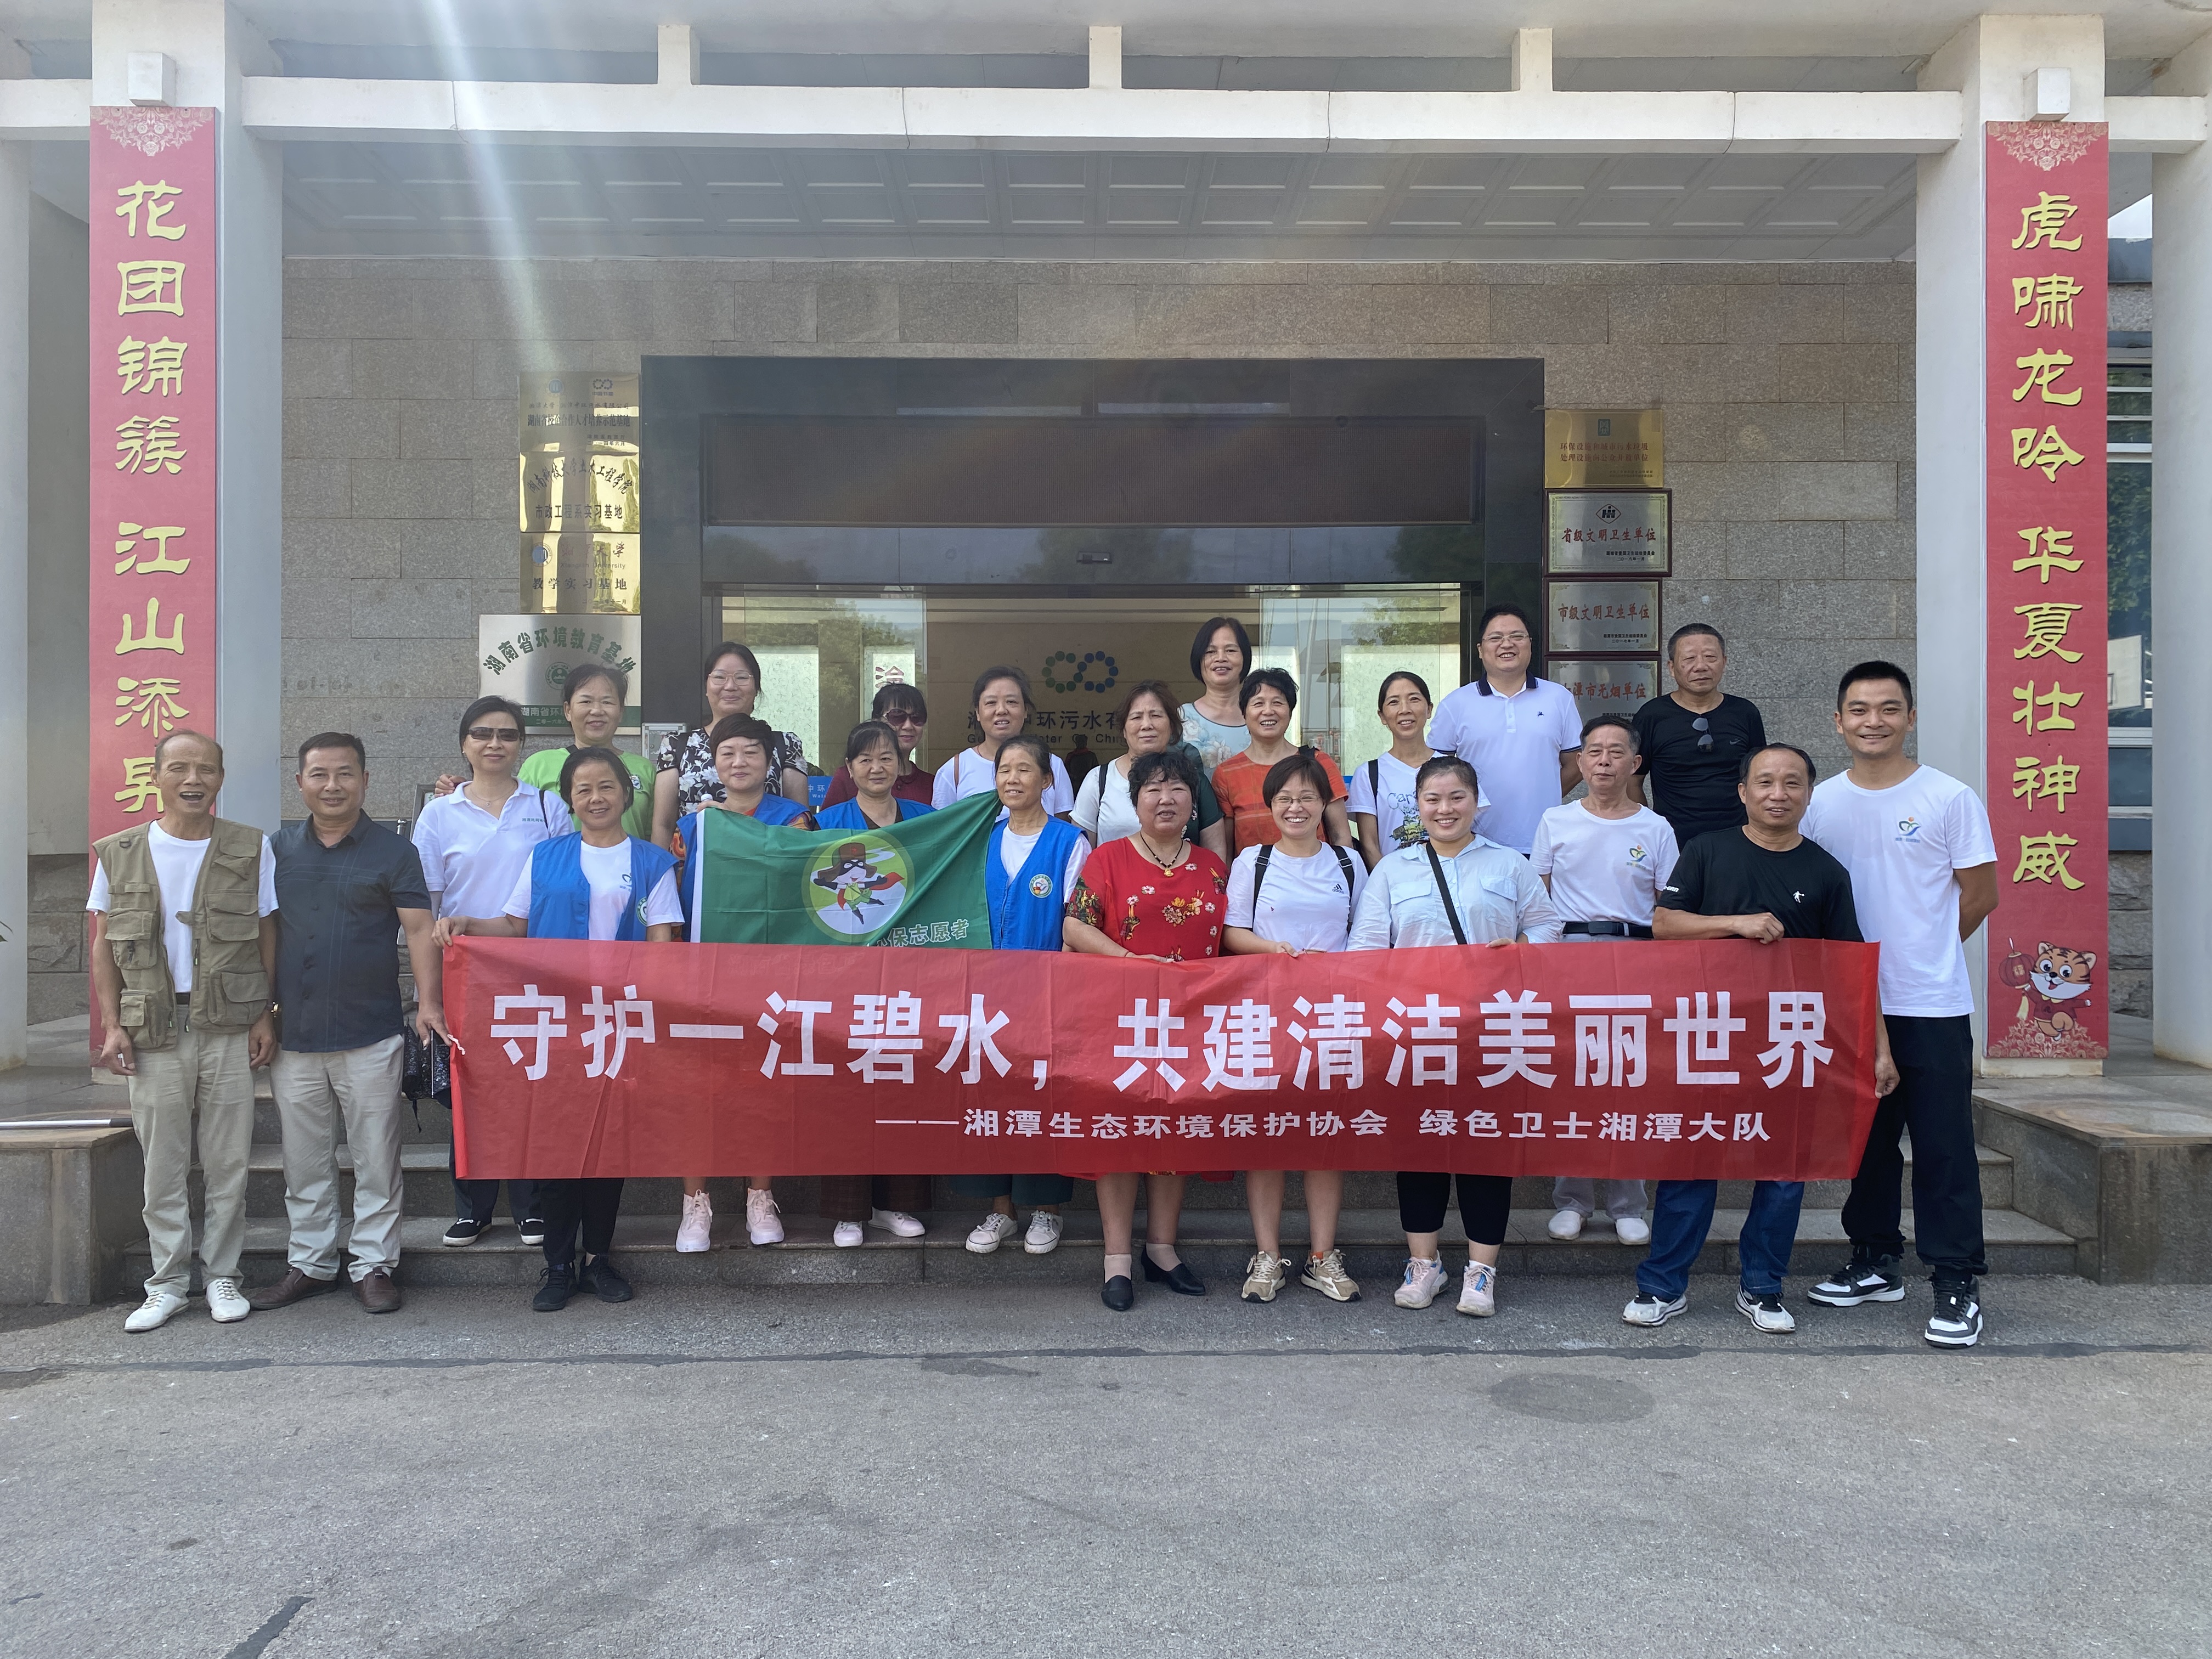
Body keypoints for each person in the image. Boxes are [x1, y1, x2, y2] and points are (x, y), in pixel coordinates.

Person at [1626, 743, 1899, 1337]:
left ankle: (1763, 1287)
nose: (1779, 794)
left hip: (1789, 1045)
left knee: (1783, 1171)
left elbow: (1852, 971)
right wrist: (1737, 924)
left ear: (1809, 794)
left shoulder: (1826, 872)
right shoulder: (1707, 851)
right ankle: (1663, 1285)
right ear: (1743, 792)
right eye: (1766, 782)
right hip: (1709, 1037)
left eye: (1793, 783)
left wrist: (1879, 1048)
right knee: (1691, 1163)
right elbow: (1665, 924)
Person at [436, 747, 684, 1311]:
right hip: (552, 1023)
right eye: (583, 790)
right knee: (554, 1146)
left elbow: (661, 947)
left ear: (626, 792)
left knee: (608, 1147)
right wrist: (469, 923)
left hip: (618, 1024)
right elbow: (515, 926)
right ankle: (556, 1265)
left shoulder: (651, 863)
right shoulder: (545, 856)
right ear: (569, 801)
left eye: (607, 787)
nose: (596, 798)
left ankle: (598, 1259)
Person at [1802, 661, 2000, 1350]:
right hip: (1852, 1003)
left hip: (1930, 1002)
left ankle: (1956, 1279)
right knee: (1867, 1140)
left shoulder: (1949, 797)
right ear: (1838, 722)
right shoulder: (1821, 803)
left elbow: (1981, 894)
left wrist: (1929, 949)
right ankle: (1875, 1259)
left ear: (1910, 718)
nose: (1874, 722)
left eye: (1889, 709)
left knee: (1944, 1146)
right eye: (1859, 710)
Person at [1349, 756, 1561, 1319]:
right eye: (1433, 799)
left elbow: (1547, 925)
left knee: (1485, 1147)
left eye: (1456, 797)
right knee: (1420, 1147)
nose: (1445, 809)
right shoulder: (1392, 870)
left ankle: (1481, 1270)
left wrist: (1522, 949)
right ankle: (1424, 1265)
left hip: (1493, 1033)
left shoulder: (1508, 864)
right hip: (1415, 1034)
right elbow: (1365, 950)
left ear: (1476, 801)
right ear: (1418, 807)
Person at [88, 732, 278, 1333]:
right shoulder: (120, 851)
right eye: (179, 768)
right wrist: (112, 1024)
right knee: (163, 1165)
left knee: (228, 1162)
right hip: (154, 1027)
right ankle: (167, 1284)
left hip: (227, 1024)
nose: (193, 779)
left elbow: (267, 932)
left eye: (206, 769)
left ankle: (223, 1275)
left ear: (221, 777)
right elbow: (103, 946)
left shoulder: (250, 847)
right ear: (157, 776)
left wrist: (264, 1013)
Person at [250, 735, 445, 1317]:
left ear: (365, 780)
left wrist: (429, 1004)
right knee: (304, 1159)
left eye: (344, 774)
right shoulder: (276, 850)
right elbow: (263, 933)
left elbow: (419, 929)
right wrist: (262, 1012)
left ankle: (374, 1265)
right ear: (300, 782)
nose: (332, 786)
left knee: (376, 1156)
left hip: (371, 1029)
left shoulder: (394, 852)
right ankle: (310, 1263)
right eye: (319, 775)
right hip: (296, 1032)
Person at [1065, 748, 1232, 1311]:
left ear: (1193, 802)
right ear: (1135, 802)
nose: (1166, 799)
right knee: (1119, 1132)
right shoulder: (1107, 858)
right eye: (1153, 789)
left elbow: (1231, 936)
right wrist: (1129, 962)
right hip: (1120, 1019)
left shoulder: (1213, 867)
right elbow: (1074, 926)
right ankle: (1116, 1258)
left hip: (1192, 1022)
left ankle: (1162, 1249)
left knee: (1175, 1130)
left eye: (1178, 788)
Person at [410, 696, 562, 1249]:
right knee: (471, 1088)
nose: (495, 743)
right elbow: (425, 910)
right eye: (482, 733)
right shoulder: (439, 813)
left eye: (507, 734)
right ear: (464, 744)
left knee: (528, 1085)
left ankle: (531, 1208)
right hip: (465, 969)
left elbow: (559, 885)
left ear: (521, 744)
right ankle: (472, 1208)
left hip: (532, 968)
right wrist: (428, 997)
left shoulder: (547, 805)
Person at [1222, 752, 1368, 1305]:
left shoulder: (1349, 862)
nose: (1297, 807)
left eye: (1308, 797)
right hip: (1266, 1014)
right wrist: (1272, 950)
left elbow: (1367, 936)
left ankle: (1322, 1256)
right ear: (1270, 806)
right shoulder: (1252, 862)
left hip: (1334, 1017)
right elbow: (1232, 932)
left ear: (1325, 803)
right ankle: (1267, 1256)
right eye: (1285, 798)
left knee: (1325, 1135)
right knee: (1267, 1135)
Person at [1530, 714, 1678, 1250]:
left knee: (1628, 1080)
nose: (1604, 762)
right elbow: (1538, 899)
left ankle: (1628, 1205)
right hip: (1570, 957)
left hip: (1635, 957)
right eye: (1594, 752)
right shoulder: (1556, 820)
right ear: (1581, 761)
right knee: (1575, 1079)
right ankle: (1572, 1201)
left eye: (1617, 752)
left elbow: (1668, 907)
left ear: (1635, 763)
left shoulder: (1655, 828)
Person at [669, 713, 811, 1252]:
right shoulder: (693, 827)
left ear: (769, 761)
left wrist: (733, 825)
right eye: (727, 753)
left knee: (762, 1086)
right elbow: (676, 895)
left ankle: (760, 1195)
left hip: (771, 978)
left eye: (751, 751)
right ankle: (695, 1203)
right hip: (703, 976)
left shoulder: (795, 819)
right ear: (713, 763)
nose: (739, 762)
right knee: (696, 1090)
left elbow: (799, 879)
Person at [954, 735, 1090, 1259]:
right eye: (1004, 770)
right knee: (992, 1098)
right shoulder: (982, 839)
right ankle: (1002, 1210)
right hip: (985, 996)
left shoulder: (1069, 842)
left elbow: (1076, 921)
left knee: (1042, 1097)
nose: (1012, 778)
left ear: (1047, 780)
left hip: (1045, 995)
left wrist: (1063, 989)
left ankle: (1046, 1210)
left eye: (1025, 769)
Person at [809, 720, 933, 1246]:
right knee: (848, 1088)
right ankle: (849, 1211)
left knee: (904, 1082)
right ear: (849, 768)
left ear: (900, 765)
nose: (877, 767)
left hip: (910, 974)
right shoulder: (826, 822)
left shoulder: (928, 820)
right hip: (845, 977)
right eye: (865, 759)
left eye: (886, 758)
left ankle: (894, 1204)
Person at [1426, 602, 1582, 855]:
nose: (1507, 644)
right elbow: (1435, 773)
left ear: (1530, 644)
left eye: (1517, 636)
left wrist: (1544, 794)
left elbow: (1576, 764)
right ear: (1480, 649)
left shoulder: (1558, 698)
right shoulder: (1456, 704)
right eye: (1496, 638)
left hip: (1543, 841)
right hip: (1474, 842)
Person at [651, 643, 809, 847]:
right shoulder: (676, 746)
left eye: (742, 678)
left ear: (756, 688)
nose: (730, 686)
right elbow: (663, 825)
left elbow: (800, 824)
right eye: (719, 677)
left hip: (770, 855)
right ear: (707, 686)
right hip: (696, 856)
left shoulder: (785, 745)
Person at [1632, 623, 1770, 844]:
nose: (1701, 667)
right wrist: (1648, 829)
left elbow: (1761, 776)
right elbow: (1633, 780)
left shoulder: (1745, 713)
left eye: (1710, 657)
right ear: (1671, 667)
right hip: (1672, 840)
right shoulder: (1652, 716)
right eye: (1689, 659)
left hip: (1739, 839)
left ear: (1724, 662)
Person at [1071, 680, 1230, 861]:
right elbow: (1081, 855)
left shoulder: (1194, 780)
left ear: (1172, 726)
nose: (1147, 725)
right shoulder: (1098, 779)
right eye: (1136, 717)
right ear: (1124, 730)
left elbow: (1216, 853)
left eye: (1156, 716)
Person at [1211, 668, 1352, 854]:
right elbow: (1226, 849)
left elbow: (1341, 836)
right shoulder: (1227, 774)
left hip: (1318, 872)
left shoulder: (1320, 763)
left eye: (1278, 703)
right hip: (1254, 873)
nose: (1268, 711)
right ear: (1244, 713)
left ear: (1290, 712)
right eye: (1258, 703)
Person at [511, 663, 656, 840]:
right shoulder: (539, 766)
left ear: (620, 712)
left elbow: (655, 834)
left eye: (607, 702)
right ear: (568, 710)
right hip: (559, 859)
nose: (597, 711)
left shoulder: (645, 769)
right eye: (586, 701)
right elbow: (519, 830)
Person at [932, 664, 1075, 815]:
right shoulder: (953, 771)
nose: (1001, 710)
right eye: (991, 703)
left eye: (1011, 702)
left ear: (1026, 710)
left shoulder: (1052, 765)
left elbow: (1062, 824)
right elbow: (943, 827)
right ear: (978, 713)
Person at [1346, 670, 1444, 870]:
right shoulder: (1369, 774)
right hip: (1395, 883)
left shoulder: (1454, 769)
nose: (1405, 710)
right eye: (1394, 702)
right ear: (1382, 716)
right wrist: (1390, 881)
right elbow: (1370, 845)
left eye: (1414, 699)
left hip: (1449, 879)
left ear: (1429, 709)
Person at [819, 683, 934, 810]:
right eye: (897, 716)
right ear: (877, 720)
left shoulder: (932, 784)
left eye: (917, 718)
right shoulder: (848, 777)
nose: (908, 726)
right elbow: (829, 821)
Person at [1179, 616, 1255, 774]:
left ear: (1245, 657)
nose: (1220, 658)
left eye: (1230, 650)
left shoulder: (1260, 715)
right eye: (1211, 652)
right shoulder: (1180, 718)